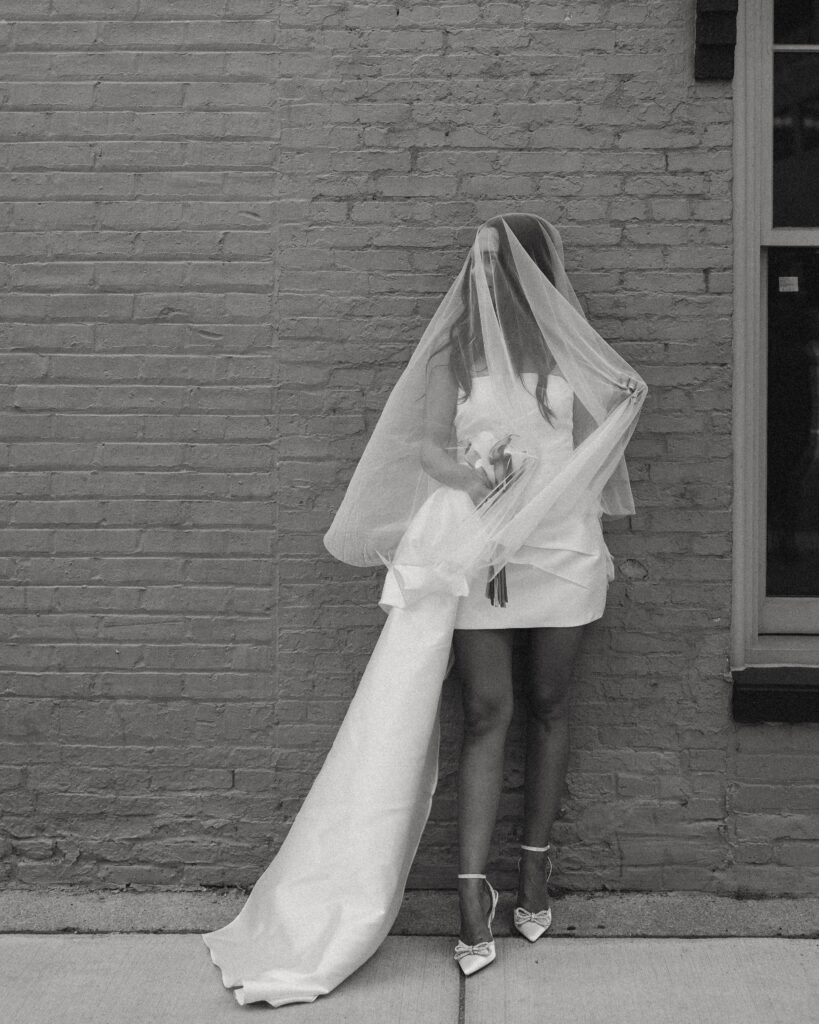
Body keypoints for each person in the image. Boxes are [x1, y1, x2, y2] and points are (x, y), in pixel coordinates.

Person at [202, 213, 646, 1004]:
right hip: (475, 551)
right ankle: (472, 891)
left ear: (533, 276)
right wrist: (478, 484)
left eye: (493, 266)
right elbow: (430, 448)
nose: (480, 276)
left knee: (549, 705)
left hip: (561, 550)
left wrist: (559, 472)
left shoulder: (569, 354)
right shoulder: (460, 357)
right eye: (478, 265)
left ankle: (535, 868)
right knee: (485, 711)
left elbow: (589, 449)